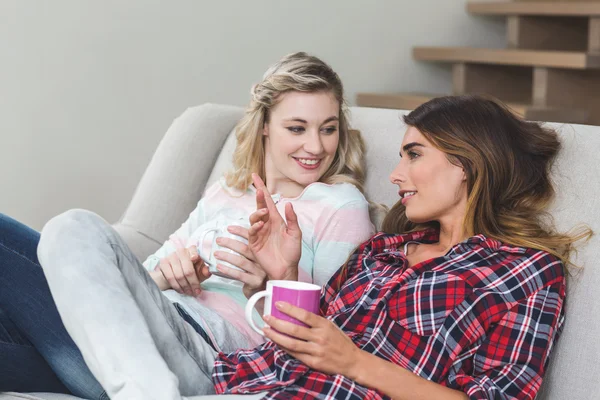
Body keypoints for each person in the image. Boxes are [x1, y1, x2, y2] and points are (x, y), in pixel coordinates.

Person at [40, 94, 592, 400]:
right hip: (227, 375)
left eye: (413, 155)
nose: (396, 174)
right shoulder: (384, 252)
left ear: (468, 163)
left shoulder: (525, 274)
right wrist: (282, 275)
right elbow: (291, 341)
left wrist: (355, 362)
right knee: (75, 227)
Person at [0, 52, 374, 398]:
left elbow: (333, 334)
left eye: (328, 129)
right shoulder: (226, 192)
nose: (316, 146)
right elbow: (126, 282)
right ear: (264, 125)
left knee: (73, 226)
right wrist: (167, 273)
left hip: (207, 353)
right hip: (126, 340)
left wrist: (269, 284)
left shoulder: (339, 205)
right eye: (297, 128)